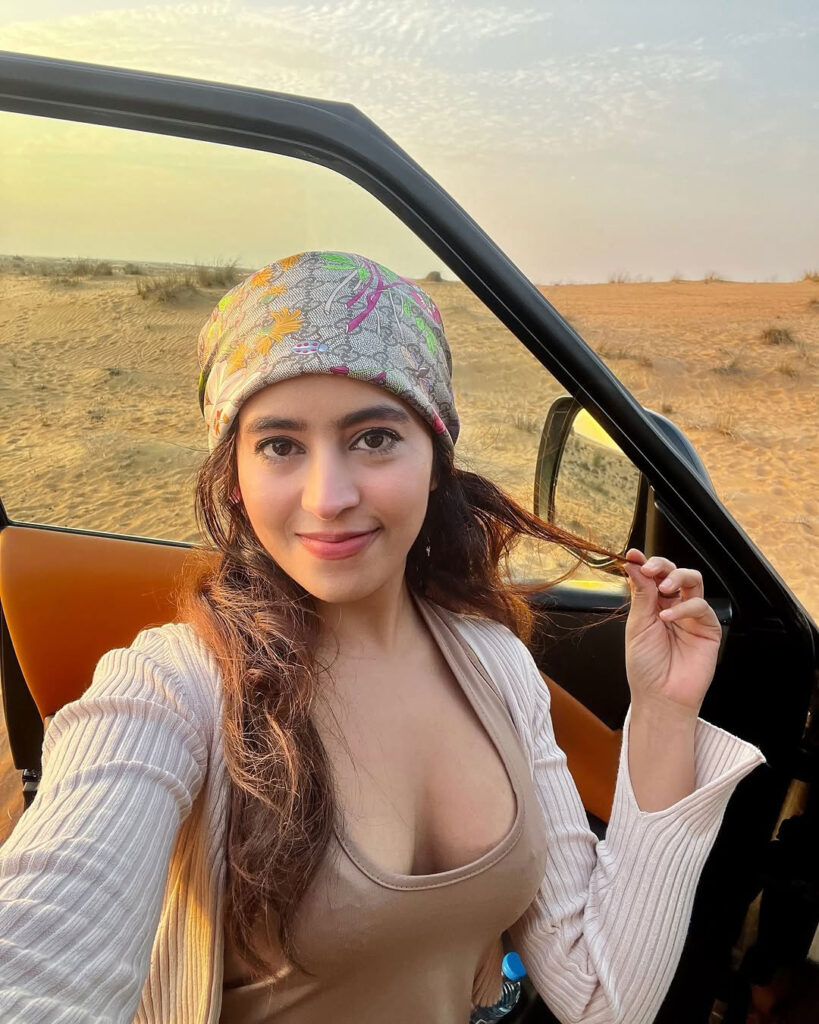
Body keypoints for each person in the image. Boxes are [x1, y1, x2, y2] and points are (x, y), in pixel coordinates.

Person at [0, 251, 764, 1024]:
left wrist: (662, 710)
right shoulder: (169, 687)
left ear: (435, 458)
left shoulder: (498, 664)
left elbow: (600, 996)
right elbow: (41, 957)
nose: (328, 496)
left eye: (372, 438)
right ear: (233, 479)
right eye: (279, 445)